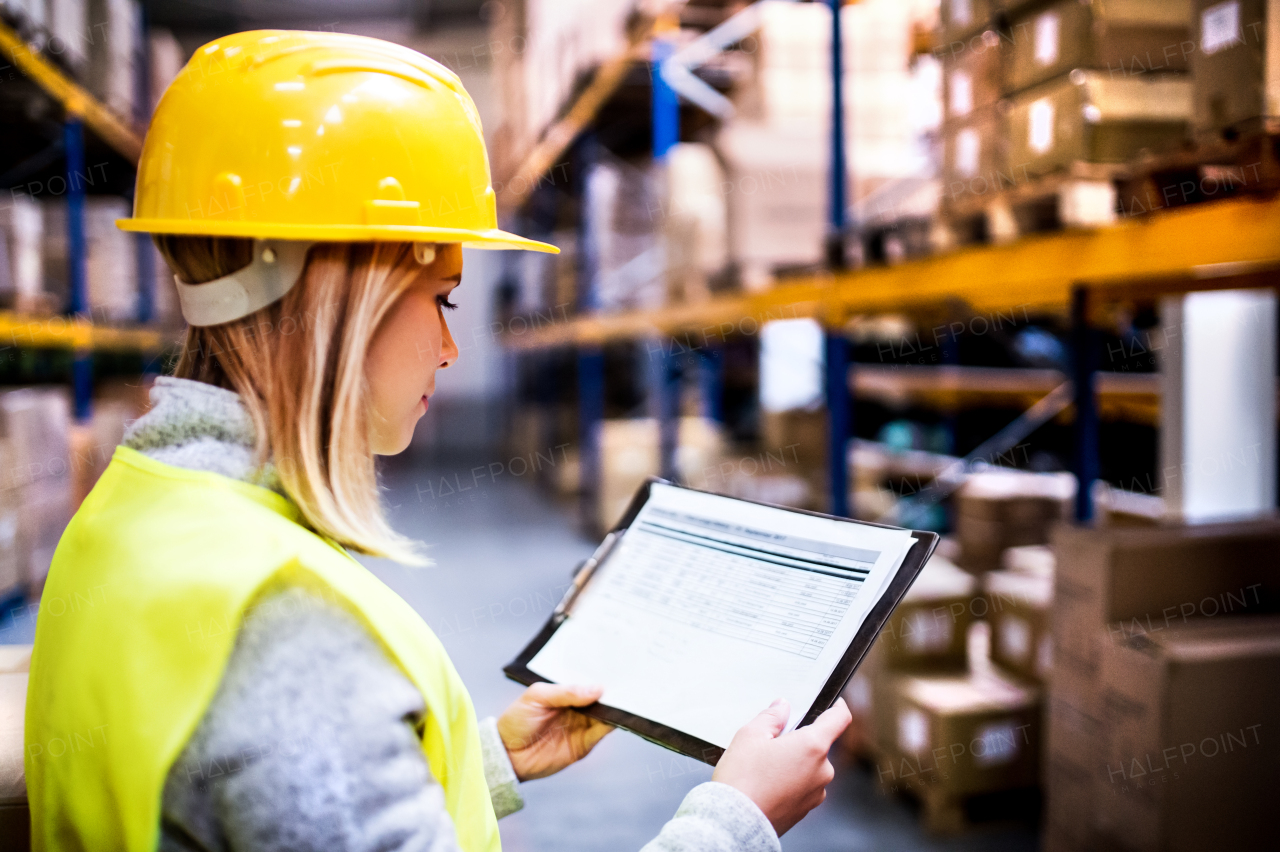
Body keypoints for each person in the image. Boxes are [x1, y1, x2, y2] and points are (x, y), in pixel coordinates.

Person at [24, 31, 850, 852]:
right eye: (442, 301)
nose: (451, 350)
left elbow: (275, 799)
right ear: (343, 295)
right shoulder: (281, 622)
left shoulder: (127, 514)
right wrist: (736, 819)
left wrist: (483, 759)